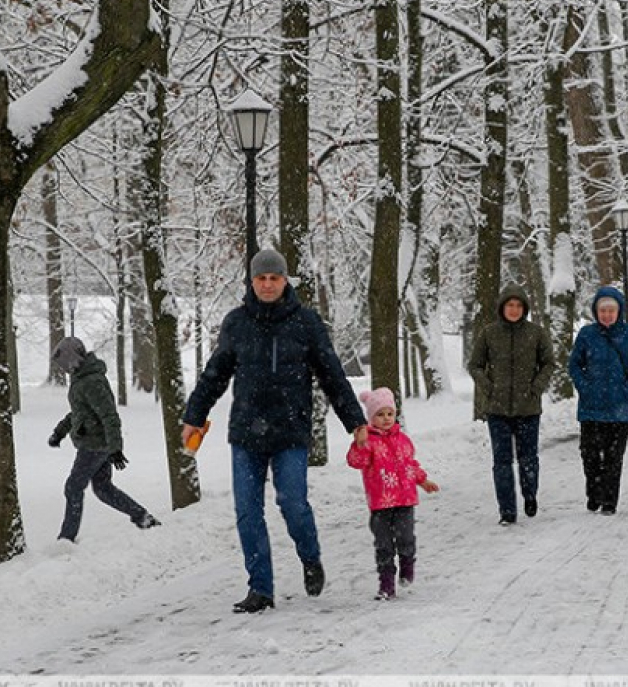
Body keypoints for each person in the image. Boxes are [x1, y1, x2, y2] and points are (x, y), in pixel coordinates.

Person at [182, 248, 369, 613]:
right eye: (261, 278)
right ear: (252, 281)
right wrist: (194, 413)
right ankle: (261, 589)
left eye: (275, 278)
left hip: (291, 431)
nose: (268, 284)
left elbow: (332, 374)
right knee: (248, 512)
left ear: (285, 281)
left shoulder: (306, 323)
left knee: (292, 503)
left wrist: (356, 422)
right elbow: (214, 375)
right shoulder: (236, 323)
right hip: (246, 433)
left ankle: (310, 556)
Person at [48, 336, 160, 542]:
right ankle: (142, 517)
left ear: (74, 358)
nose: (63, 369)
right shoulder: (82, 378)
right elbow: (79, 412)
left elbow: (109, 415)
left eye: (64, 363)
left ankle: (67, 538)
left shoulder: (92, 381)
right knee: (103, 488)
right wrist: (60, 432)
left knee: (73, 487)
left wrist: (115, 448)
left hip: (95, 445)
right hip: (96, 442)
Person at [468, 285, 555, 525]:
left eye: (518, 305)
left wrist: (536, 388)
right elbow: (474, 365)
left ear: (524, 308)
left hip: (528, 409)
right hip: (497, 410)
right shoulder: (489, 333)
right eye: (510, 305)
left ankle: (529, 494)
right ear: (502, 307)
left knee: (528, 458)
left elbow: (549, 363)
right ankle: (507, 510)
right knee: (502, 461)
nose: (514, 310)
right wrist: (488, 388)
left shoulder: (536, 333)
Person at [345, 388, 439, 600]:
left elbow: (410, 464)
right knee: (384, 545)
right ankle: (386, 583)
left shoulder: (403, 440)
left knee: (406, 538)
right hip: (380, 504)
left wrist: (422, 480)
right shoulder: (367, 442)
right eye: (380, 414)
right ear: (371, 417)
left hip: (405, 500)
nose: (386, 418)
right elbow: (355, 462)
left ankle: (407, 564)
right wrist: (359, 444)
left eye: (389, 413)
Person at [567, 286, 628, 515]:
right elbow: (574, 365)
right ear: (596, 311)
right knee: (589, 454)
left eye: (611, 310)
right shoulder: (586, 335)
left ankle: (609, 500)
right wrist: (584, 387)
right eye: (603, 310)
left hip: (620, 408)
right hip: (591, 407)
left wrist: (627, 390)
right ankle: (594, 492)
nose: (607, 314)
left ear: (619, 310)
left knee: (613, 456)